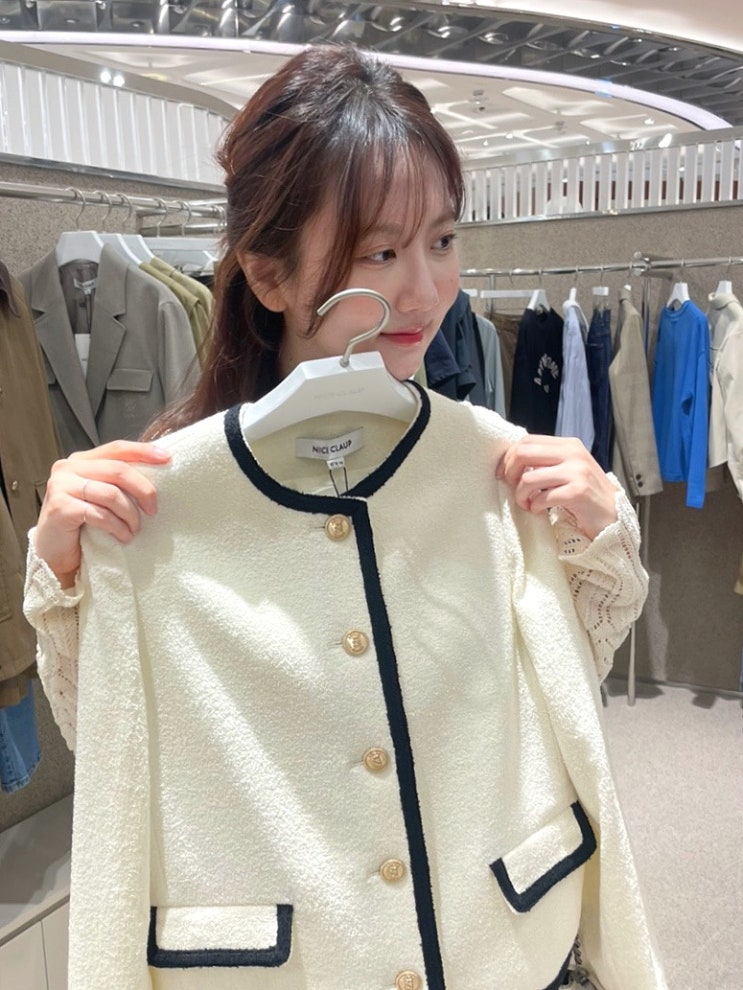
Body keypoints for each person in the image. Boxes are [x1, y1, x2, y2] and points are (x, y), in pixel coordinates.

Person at [24, 44, 665, 990]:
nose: (426, 292)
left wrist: (598, 540)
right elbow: (117, 754)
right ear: (268, 275)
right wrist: (68, 578)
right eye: (380, 252)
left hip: (504, 948)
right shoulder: (156, 501)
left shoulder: (494, 466)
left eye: (441, 240)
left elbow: (560, 693)